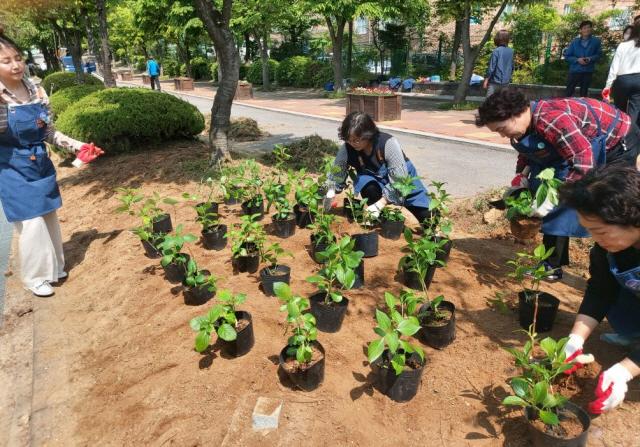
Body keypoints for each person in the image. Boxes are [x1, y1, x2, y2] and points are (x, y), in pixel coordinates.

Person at [476, 87, 639, 280]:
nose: (503, 136)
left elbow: (582, 161)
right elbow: (527, 152)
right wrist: (522, 175)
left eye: (502, 129)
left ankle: (615, 273)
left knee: (609, 205)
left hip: (618, 142)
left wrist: (554, 199)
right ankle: (552, 265)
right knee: (549, 193)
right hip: (578, 146)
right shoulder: (525, 126)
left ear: (517, 114)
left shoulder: (552, 120)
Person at [0, 29, 104, 297]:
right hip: (12, 169)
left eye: (18, 58)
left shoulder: (35, 88)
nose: (16, 65)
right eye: (6, 60)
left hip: (40, 163)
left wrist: (79, 146)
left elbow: (47, 131)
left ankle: (54, 268)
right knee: (31, 223)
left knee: (48, 217)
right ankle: (35, 277)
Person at [558, 165, 640, 414]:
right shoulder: (608, 249)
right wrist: (575, 339)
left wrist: (626, 369)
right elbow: (600, 291)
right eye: (590, 230)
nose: (596, 239)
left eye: (600, 231)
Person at [324, 112, 431, 224]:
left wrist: (381, 203)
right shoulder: (347, 149)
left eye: (356, 140)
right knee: (367, 184)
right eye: (349, 140)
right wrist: (329, 192)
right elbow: (336, 176)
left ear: (368, 135)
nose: (353, 144)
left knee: (428, 219)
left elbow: (400, 180)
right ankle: (383, 221)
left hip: (403, 179)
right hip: (375, 183)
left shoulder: (387, 143)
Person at [603, 21, 640, 127]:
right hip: (639, 80)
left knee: (619, 109)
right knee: (635, 111)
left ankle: (618, 133)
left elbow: (614, 68)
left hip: (623, 80)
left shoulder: (623, 45)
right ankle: (630, 137)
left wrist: (607, 87)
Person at [564, 20, 602, 97]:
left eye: (588, 27)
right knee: (569, 92)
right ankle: (565, 107)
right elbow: (567, 56)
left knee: (583, 94)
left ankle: (582, 108)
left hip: (587, 71)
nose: (586, 30)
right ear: (581, 30)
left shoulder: (596, 41)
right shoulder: (575, 42)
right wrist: (577, 60)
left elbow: (599, 55)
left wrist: (590, 59)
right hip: (575, 70)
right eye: (584, 28)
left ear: (591, 29)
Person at [482, 30, 513, 97]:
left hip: (495, 82)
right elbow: (512, 67)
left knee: (489, 102)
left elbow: (491, 67)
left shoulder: (496, 51)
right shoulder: (511, 51)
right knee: (503, 103)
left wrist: (486, 80)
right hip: (506, 82)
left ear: (498, 39)